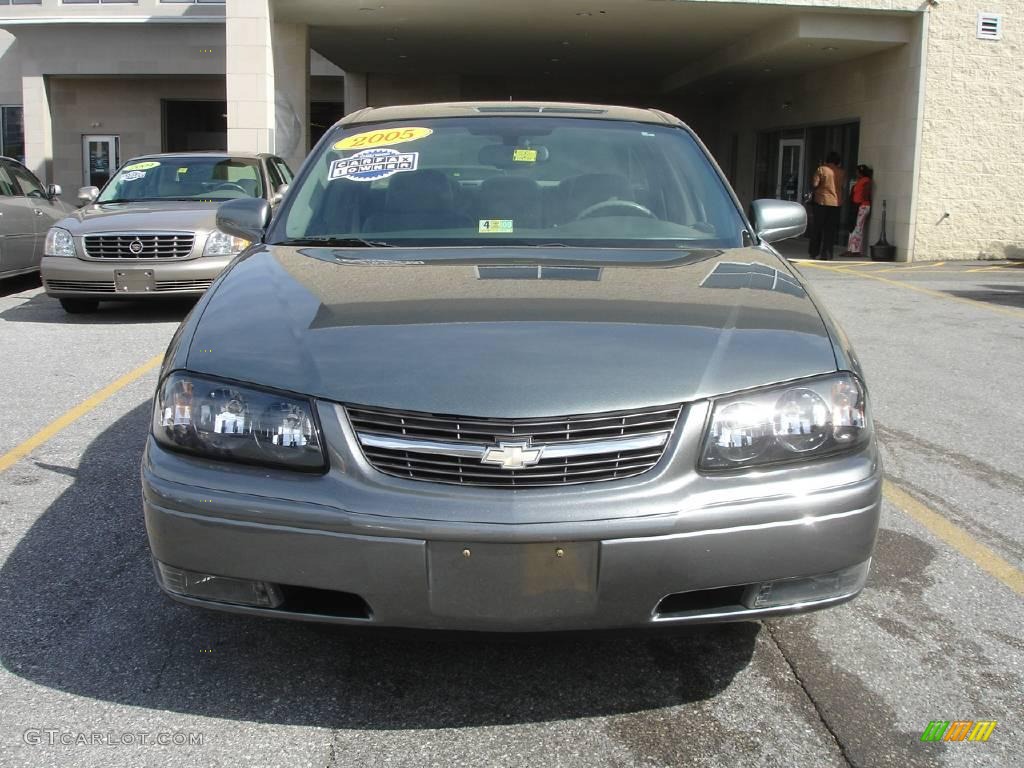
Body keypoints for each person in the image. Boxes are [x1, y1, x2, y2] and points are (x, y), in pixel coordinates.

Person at [806, 151, 846, 260]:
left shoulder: (821, 169)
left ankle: (814, 252)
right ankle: (827, 254)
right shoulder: (841, 172)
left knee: (817, 228)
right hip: (836, 203)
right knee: (830, 230)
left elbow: (815, 184)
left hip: (821, 202)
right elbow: (842, 186)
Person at [844, 164, 873, 257]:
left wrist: (859, 203)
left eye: (857, 171)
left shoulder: (866, 181)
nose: (856, 173)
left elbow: (865, 194)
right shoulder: (859, 181)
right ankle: (850, 249)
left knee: (858, 228)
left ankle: (855, 250)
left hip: (862, 206)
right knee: (853, 226)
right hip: (857, 206)